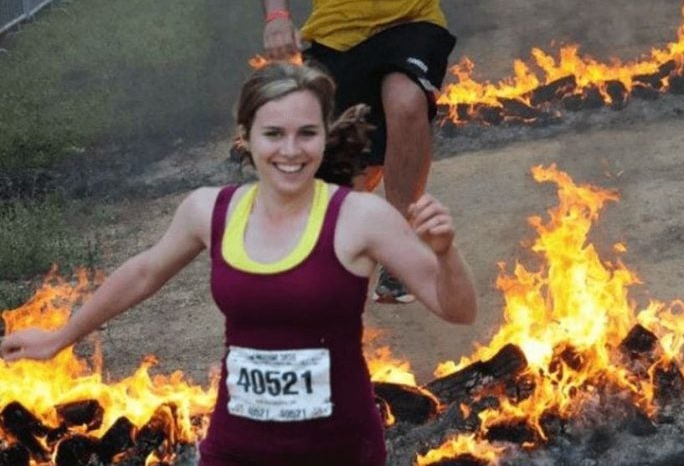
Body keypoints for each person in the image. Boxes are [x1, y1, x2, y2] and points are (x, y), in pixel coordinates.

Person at [0, 62, 477, 466]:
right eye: (273, 134)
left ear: (323, 135)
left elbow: (457, 309)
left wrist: (445, 252)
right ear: (245, 137)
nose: (290, 151)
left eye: (306, 134)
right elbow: (143, 273)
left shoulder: (360, 217)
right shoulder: (210, 211)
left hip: (339, 448)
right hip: (236, 448)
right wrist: (60, 337)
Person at [259, 0, 532, 303]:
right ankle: (319, 261)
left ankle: (400, 247)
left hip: (413, 23)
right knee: (350, 174)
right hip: (339, 42)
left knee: (406, 101)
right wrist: (278, 17)